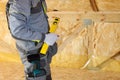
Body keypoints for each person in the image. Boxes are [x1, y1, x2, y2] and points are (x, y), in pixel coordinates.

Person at [6, 0, 58, 80]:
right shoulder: (21, 2)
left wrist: (47, 36)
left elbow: (36, 20)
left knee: (45, 76)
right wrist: (44, 37)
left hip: (41, 48)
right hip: (33, 50)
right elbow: (17, 31)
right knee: (38, 76)